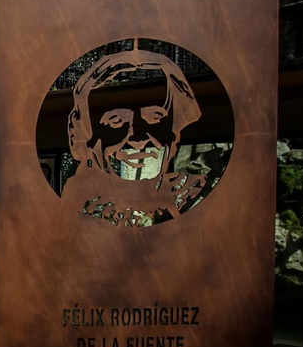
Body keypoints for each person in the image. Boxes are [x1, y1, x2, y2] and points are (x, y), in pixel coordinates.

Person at [61, 47, 205, 226]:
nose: (137, 139)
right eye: (116, 121)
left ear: (175, 135)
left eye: (155, 118)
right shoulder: (75, 208)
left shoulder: (193, 198)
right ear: (88, 138)